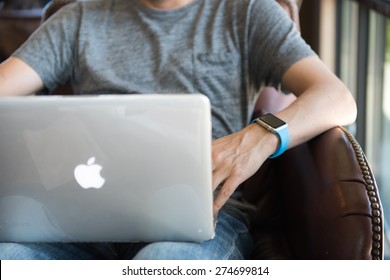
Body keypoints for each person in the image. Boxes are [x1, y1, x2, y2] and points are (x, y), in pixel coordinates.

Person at [0, 0, 357, 260]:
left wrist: (260, 136)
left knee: (163, 264)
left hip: (200, 218)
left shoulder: (248, 12)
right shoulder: (78, 18)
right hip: (83, 219)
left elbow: (337, 96)